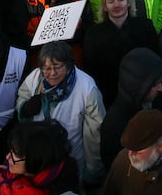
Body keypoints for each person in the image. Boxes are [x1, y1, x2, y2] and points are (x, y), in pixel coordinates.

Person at [16, 41, 106, 184]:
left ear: (69, 65)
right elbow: (23, 96)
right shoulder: (34, 78)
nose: (52, 73)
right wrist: (25, 108)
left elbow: (94, 134)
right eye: (46, 68)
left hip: (71, 160)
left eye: (58, 67)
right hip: (40, 160)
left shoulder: (87, 89)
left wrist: (92, 170)